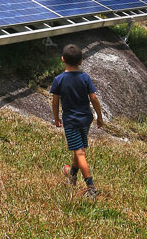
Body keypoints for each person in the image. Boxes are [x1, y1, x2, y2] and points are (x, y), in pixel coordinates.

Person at [50, 42, 104, 200]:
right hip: (85, 119)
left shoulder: (58, 80)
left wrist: (56, 118)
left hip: (71, 121)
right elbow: (93, 98)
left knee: (79, 152)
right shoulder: (85, 77)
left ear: (62, 59)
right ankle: (72, 173)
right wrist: (99, 117)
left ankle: (91, 187)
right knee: (78, 148)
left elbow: (55, 102)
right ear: (81, 61)